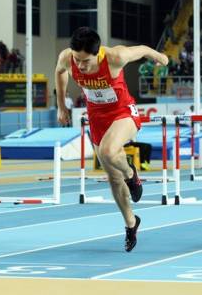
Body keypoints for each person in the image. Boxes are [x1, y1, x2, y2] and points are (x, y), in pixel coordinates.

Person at [55, 27, 168, 252]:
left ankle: (131, 174)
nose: (80, 65)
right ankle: (131, 223)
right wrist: (61, 106)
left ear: (98, 54)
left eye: (85, 61)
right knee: (113, 179)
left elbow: (143, 49)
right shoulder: (67, 57)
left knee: (107, 152)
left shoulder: (116, 56)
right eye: (77, 60)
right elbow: (60, 72)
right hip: (98, 118)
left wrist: (161, 57)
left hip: (123, 112)